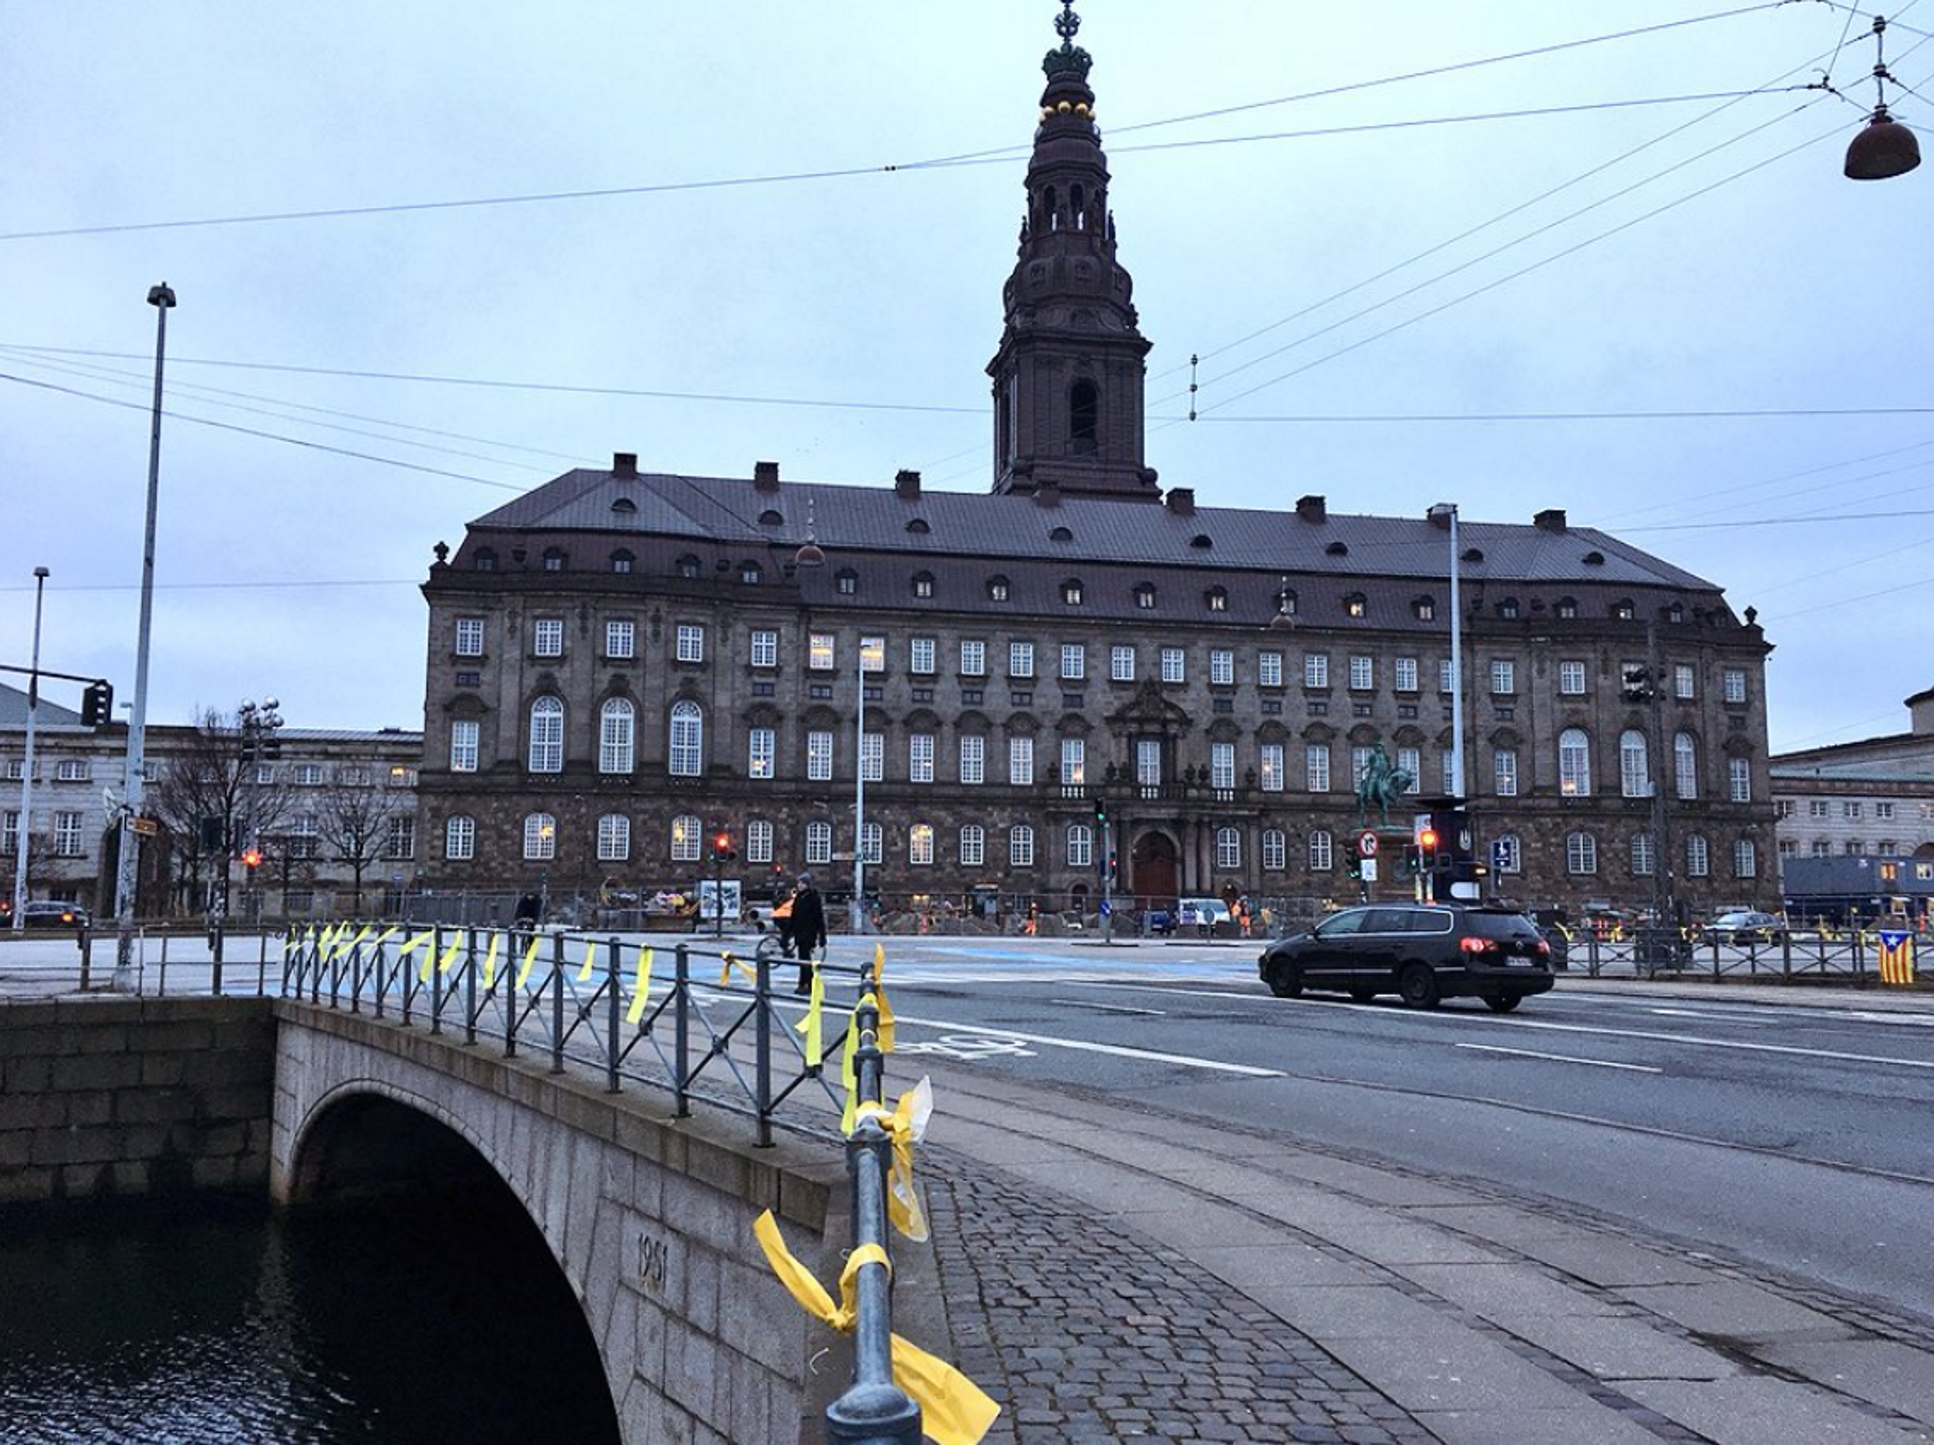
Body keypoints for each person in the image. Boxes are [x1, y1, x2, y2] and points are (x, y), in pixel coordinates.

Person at [789, 875, 828, 994]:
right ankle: (807, 984)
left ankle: (805, 984)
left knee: (805, 959)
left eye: (802, 883)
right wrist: (789, 932)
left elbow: (818, 918)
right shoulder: (799, 898)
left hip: (809, 933)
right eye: (799, 883)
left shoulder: (812, 898)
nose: (799, 885)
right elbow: (794, 917)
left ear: (807, 885)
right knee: (803, 959)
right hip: (800, 933)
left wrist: (822, 935)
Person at [771, 886, 797, 958]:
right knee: (789, 931)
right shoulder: (791, 899)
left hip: (780, 917)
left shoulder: (788, 898)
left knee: (788, 932)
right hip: (781, 917)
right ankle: (785, 948)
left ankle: (785, 948)